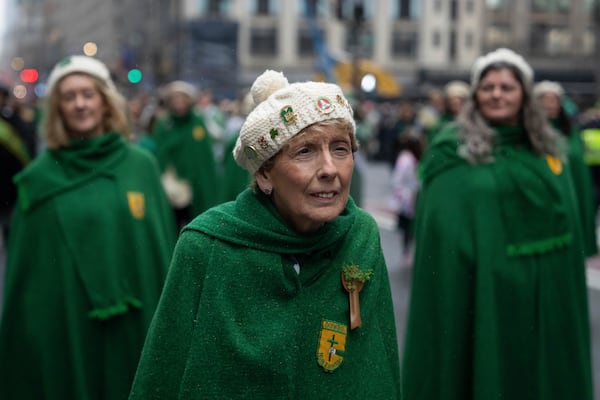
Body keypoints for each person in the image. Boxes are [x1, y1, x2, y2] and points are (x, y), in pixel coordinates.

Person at [129, 70, 401, 399]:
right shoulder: (206, 245)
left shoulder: (361, 235)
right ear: (264, 174)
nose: (330, 168)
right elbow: (163, 375)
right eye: (305, 152)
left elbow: (376, 366)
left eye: (341, 149)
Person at [402, 48, 594, 399]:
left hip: (544, 297)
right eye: (488, 87)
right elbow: (443, 226)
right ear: (476, 96)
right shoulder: (451, 150)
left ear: (524, 94)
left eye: (507, 87)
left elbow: (567, 223)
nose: (497, 94)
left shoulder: (549, 149)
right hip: (479, 292)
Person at [0, 55, 176, 400]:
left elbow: (158, 255)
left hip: (133, 323)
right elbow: (29, 283)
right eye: (69, 97)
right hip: (67, 324)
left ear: (105, 101)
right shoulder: (38, 180)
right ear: (58, 109)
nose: (80, 104)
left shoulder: (140, 167)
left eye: (88, 94)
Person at [534, 80, 598, 257]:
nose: (549, 105)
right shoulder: (531, 134)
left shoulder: (570, 131)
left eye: (553, 100)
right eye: (544, 100)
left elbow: (577, 164)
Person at [153, 80, 220, 230]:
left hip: (196, 182)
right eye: (174, 99)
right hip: (174, 182)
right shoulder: (164, 124)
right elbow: (161, 152)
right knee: (173, 222)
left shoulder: (197, 122)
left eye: (181, 98)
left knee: (195, 220)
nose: (178, 103)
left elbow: (204, 154)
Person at [388, 130, 423, 267]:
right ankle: (406, 253)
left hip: (412, 199)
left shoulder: (412, 158)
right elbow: (397, 180)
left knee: (410, 228)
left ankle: (408, 253)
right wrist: (404, 197)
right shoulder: (406, 159)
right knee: (408, 228)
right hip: (408, 200)